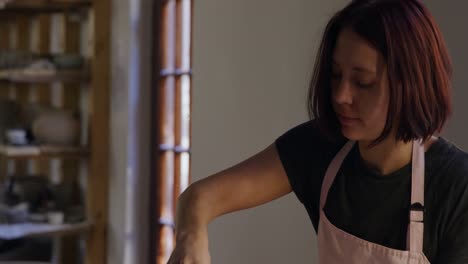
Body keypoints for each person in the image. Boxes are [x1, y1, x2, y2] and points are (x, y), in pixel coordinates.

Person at [168, 0, 468, 263]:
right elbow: (201, 197)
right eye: (336, 75)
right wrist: (192, 238)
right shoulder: (322, 147)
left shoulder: (457, 186)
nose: (340, 95)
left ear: (410, 85)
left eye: (362, 82)